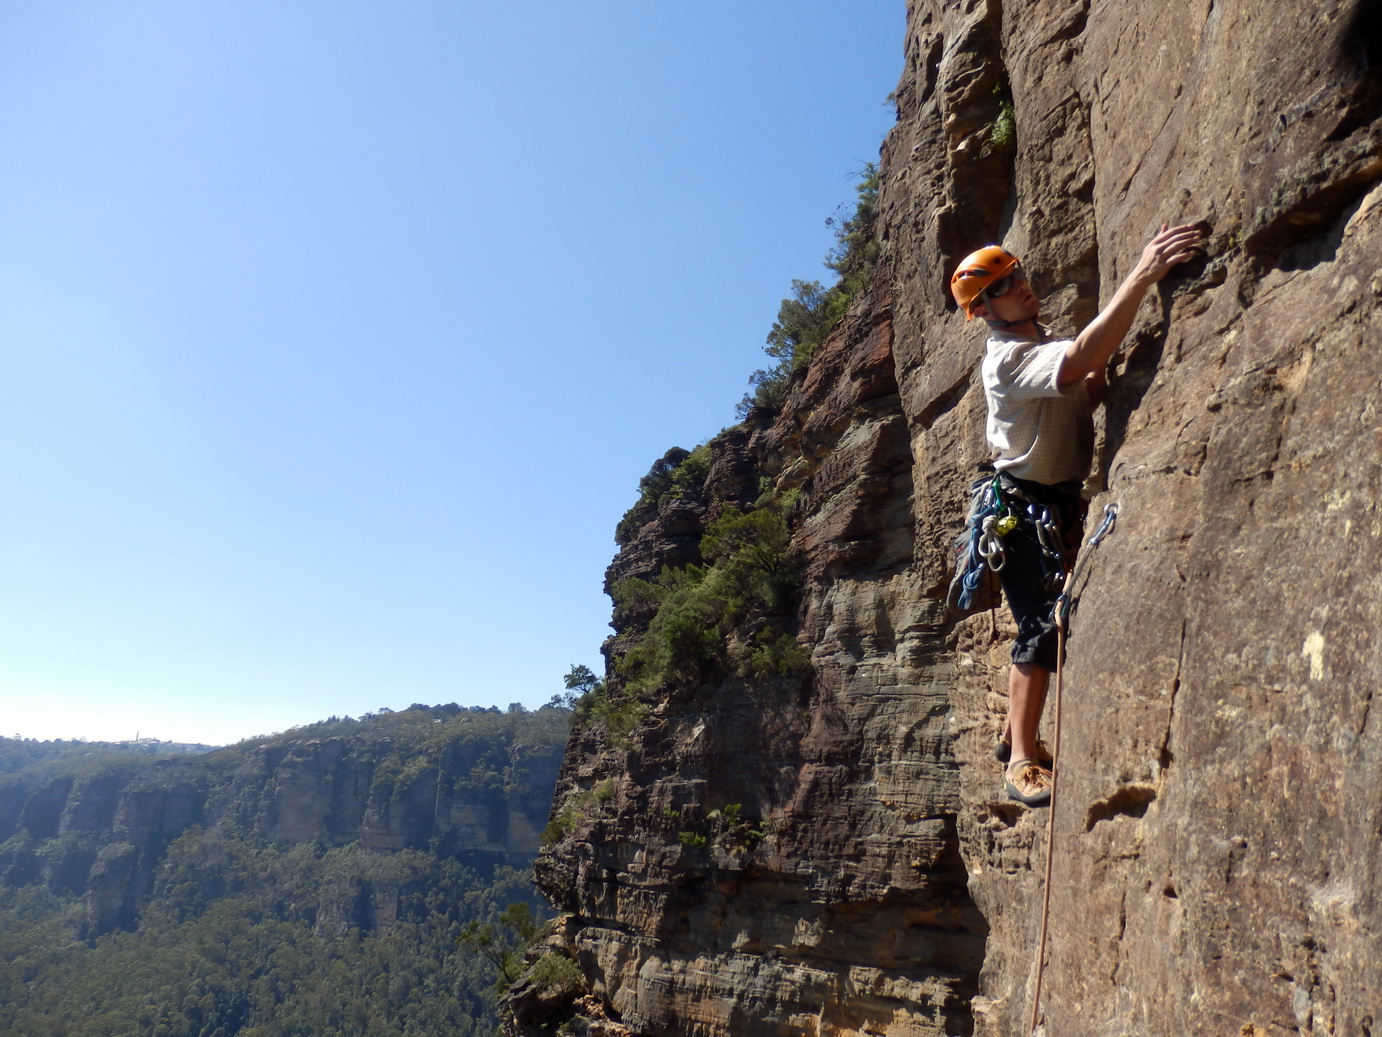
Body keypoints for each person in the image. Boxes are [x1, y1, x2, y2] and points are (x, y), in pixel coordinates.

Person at [949, 224, 1203, 806]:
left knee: (1047, 621)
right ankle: (1020, 760)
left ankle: (1014, 728)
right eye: (1005, 285)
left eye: (1018, 275)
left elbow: (1081, 384)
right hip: (1017, 511)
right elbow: (1085, 356)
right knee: (1041, 627)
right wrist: (1141, 275)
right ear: (984, 309)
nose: (1023, 285)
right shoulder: (1008, 360)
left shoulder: (1035, 342)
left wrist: (1096, 380)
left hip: (1052, 502)